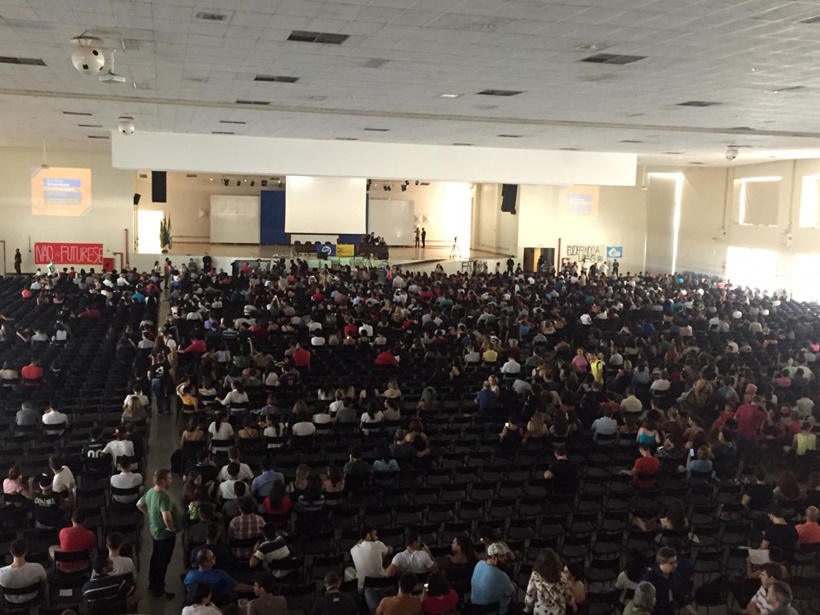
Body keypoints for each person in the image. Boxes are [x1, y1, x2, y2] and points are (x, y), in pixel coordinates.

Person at [136, 468, 180, 600]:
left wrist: (150, 514)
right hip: (164, 535)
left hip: (155, 531)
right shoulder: (164, 496)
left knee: (155, 557)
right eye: (169, 478)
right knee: (163, 562)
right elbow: (166, 516)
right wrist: (171, 528)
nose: (171, 480)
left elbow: (139, 504)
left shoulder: (150, 492)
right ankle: (159, 589)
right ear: (162, 480)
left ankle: (152, 584)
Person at [183, 548, 253, 607]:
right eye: (212, 557)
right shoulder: (219, 575)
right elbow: (237, 587)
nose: (214, 558)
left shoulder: (190, 575)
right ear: (206, 563)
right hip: (219, 603)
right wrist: (253, 588)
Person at [523, 547, 575, 615]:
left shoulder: (536, 575)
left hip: (541, 612)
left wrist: (528, 607)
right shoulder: (561, 575)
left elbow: (530, 594)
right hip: (559, 611)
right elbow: (567, 594)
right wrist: (573, 605)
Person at [350, 527, 391, 611]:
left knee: (349, 571)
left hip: (365, 585)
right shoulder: (378, 544)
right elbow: (388, 551)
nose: (377, 537)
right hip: (382, 582)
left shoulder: (353, 550)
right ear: (368, 535)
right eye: (375, 534)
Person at [0, 539, 47, 607]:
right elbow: (44, 583)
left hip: (11, 602)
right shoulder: (38, 568)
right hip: (33, 599)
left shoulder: (1, 573)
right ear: (25, 552)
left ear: (11, 552)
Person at [471, 542, 515, 614]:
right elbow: (512, 593)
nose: (506, 558)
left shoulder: (479, 564)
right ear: (494, 558)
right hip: (493, 611)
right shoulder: (501, 576)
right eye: (502, 556)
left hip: (475, 607)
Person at [52, 509, 96, 573]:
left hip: (64, 568)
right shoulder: (90, 534)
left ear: (72, 519)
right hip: (83, 567)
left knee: (53, 548)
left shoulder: (63, 531)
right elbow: (92, 547)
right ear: (85, 521)